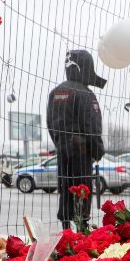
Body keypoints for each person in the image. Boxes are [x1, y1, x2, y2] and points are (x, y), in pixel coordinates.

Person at [46, 50, 106, 230]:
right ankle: (82, 226)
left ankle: (65, 227)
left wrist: (60, 143)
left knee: (65, 186)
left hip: (62, 150)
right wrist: (97, 151)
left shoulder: (55, 93)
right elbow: (92, 127)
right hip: (82, 151)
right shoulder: (85, 94)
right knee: (82, 188)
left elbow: (50, 124)